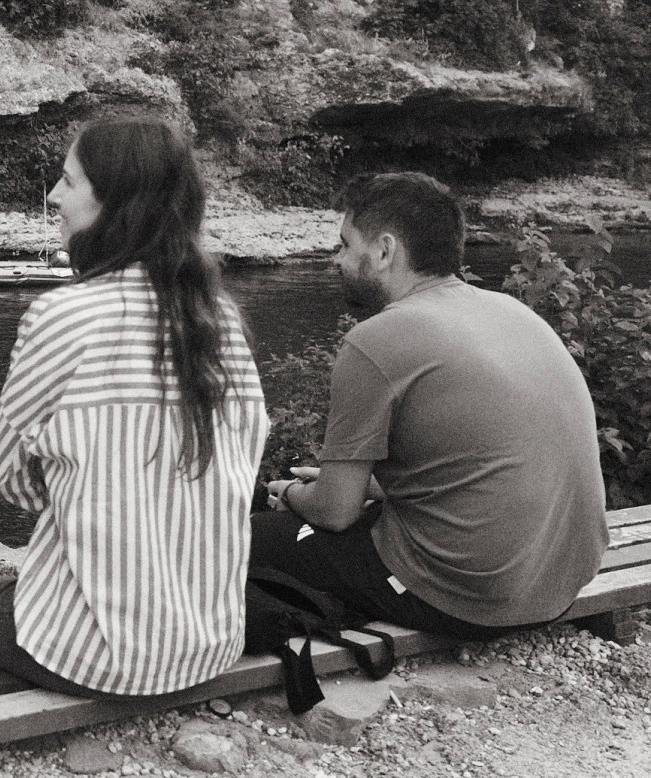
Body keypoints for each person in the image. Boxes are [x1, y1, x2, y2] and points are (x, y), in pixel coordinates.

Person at [0, 117, 269, 697]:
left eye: (68, 181)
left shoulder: (60, 317)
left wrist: (95, 488)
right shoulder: (220, 317)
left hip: (98, 653)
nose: (53, 197)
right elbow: (245, 455)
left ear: (114, 202)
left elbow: (16, 483)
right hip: (207, 644)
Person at [257, 173, 607, 639]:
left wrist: (288, 496)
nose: (336, 259)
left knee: (251, 538)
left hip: (469, 598)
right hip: (561, 585)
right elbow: (477, 462)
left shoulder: (374, 340)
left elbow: (334, 513)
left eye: (344, 245)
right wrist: (372, 488)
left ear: (384, 251)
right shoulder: (511, 312)